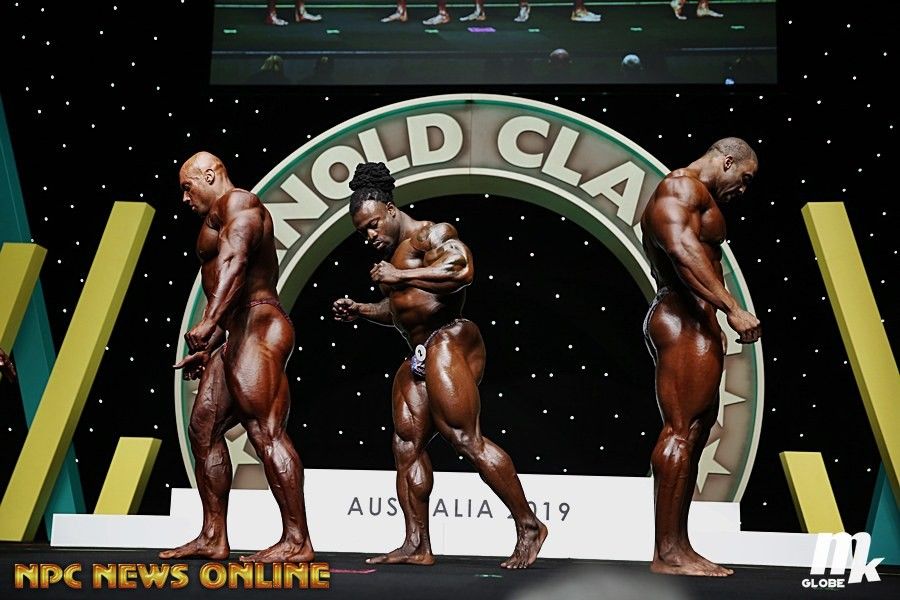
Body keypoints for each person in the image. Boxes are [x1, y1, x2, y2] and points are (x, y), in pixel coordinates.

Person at [333, 162, 547, 569]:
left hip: (450, 339)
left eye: (373, 225)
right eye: (363, 233)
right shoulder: (396, 259)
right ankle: (417, 544)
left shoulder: (430, 233)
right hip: (417, 350)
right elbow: (404, 311)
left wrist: (399, 276)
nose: (370, 236)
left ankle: (529, 525)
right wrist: (362, 309)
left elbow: (462, 270)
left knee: (466, 439)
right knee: (405, 445)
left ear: (391, 210)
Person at [160, 152, 314, 563]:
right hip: (235, 331)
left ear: (210, 175)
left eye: (188, 187)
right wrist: (211, 342)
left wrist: (209, 321)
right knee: (203, 429)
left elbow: (236, 263)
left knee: (265, 432)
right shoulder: (218, 217)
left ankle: (297, 540)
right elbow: (226, 282)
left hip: (259, 323)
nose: (184, 198)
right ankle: (213, 536)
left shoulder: (240, 203)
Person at [640, 137, 760, 576]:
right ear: (727, 161)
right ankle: (667, 552)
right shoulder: (680, 187)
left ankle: (680, 546)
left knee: (695, 433)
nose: (743, 190)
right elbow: (682, 250)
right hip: (681, 317)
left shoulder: (697, 195)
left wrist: (717, 317)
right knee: (680, 430)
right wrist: (732, 308)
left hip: (696, 320)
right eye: (744, 178)